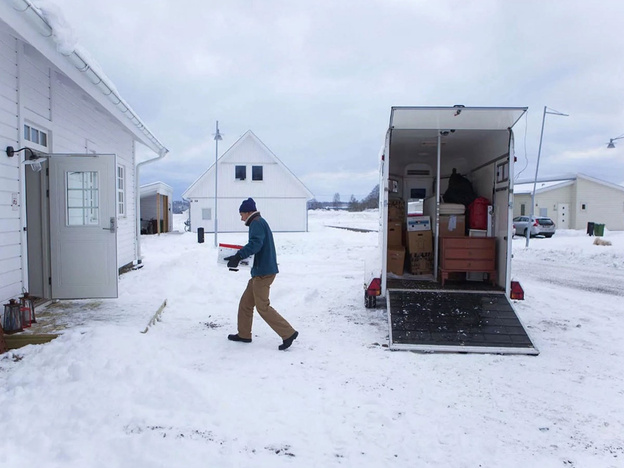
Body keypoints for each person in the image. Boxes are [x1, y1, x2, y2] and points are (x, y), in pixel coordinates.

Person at [224, 198, 298, 351]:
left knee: (262, 307)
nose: (241, 218)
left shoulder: (256, 223)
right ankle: (244, 334)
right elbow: (257, 246)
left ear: (249, 212)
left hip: (263, 273)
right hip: (260, 271)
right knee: (245, 304)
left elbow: (255, 244)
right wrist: (239, 258)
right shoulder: (258, 221)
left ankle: (288, 333)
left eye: (242, 214)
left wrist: (238, 256)